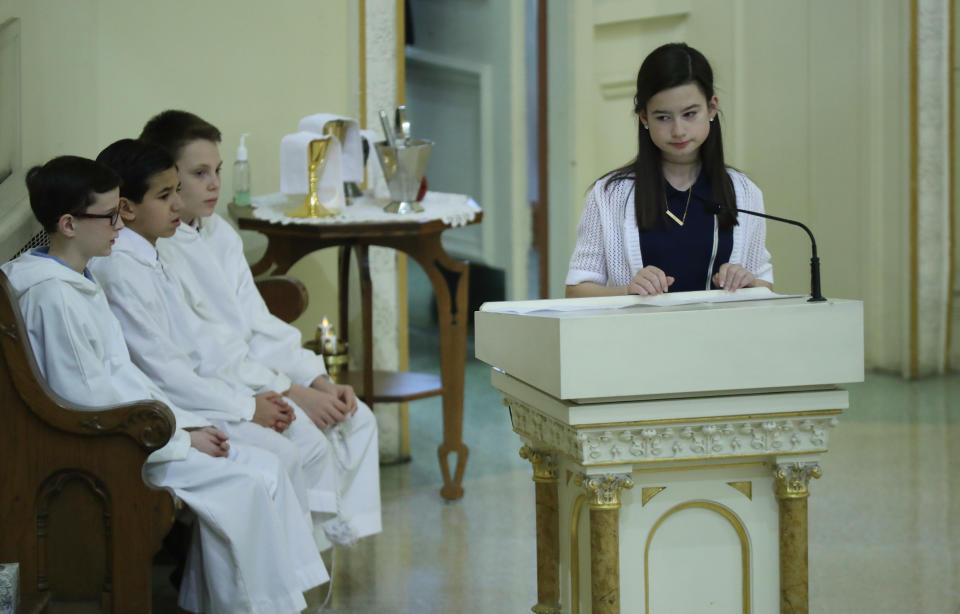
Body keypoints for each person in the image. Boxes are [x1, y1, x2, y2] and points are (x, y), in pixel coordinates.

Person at [1, 156, 328, 614]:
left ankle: (238, 603)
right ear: (69, 224)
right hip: (111, 452)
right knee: (248, 483)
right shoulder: (53, 297)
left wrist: (186, 426)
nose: (120, 225)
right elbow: (89, 402)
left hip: (138, 432)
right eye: (110, 216)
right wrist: (181, 441)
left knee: (260, 474)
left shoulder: (76, 276)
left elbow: (123, 376)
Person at [89, 138, 375, 550]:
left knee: (324, 433)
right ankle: (273, 584)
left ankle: (300, 570)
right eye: (175, 188)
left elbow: (230, 330)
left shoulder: (177, 244)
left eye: (218, 170)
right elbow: (167, 367)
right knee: (283, 458)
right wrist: (248, 403)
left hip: (221, 385)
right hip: (185, 406)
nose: (202, 190)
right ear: (127, 207)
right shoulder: (127, 265)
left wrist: (294, 382)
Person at [566, 42, 773, 298]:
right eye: (663, 117)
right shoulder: (610, 195)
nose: (678, 130)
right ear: (644, 117)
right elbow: (576, 291)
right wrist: (628, 290)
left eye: (689, 114)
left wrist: (747, 282)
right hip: (637, 337)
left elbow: (764, 283)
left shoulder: (743, 191)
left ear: (711, 108)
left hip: (722, 337)